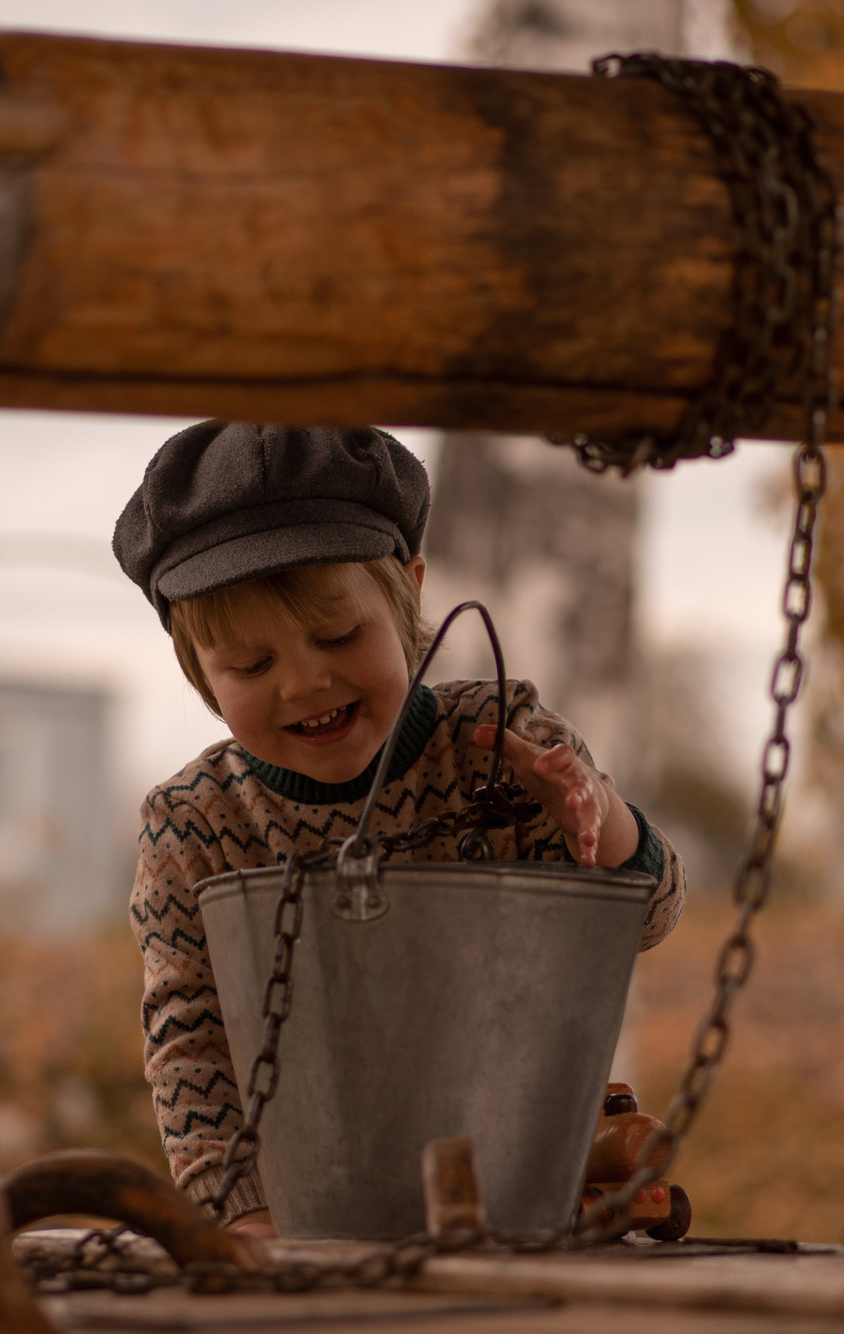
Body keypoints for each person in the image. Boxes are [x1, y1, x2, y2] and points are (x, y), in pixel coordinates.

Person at [119, 421, 686, 1236]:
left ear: (410, 593)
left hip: (514, 1192)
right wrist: (242, 1216)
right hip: (305, 1208)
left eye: (339, 635)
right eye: (250, 665)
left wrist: (602, 822)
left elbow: (652, 915)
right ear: (197, 669)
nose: (307, 682)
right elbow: (192, 1047)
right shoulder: (193, 826)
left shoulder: (501, 743)